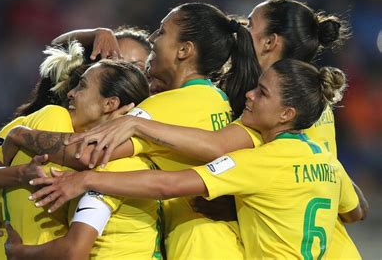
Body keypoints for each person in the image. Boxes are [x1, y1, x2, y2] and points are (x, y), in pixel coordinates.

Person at [29, 59, 365, 259]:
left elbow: (168, 184)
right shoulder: (329, 162)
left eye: (261, 93)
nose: (249, 94)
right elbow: (355, 211)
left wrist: (86, 178)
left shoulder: (259, 161)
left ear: (286, 114)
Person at [3, 2, 261, 259]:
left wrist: (21, 134)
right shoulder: (218, 99)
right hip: (221, 244)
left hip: (195, 247)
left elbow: (86, 153)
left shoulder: (166, 106)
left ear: (184, 50)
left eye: (161, 32)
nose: (152, 38)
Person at [0, 41, 160, 259]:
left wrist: (19, 136)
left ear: (111, 103)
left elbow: (82, 156)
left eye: (139, 66)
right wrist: (14, 181)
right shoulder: (51, 117)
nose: (71, 94)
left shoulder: (121, 157)